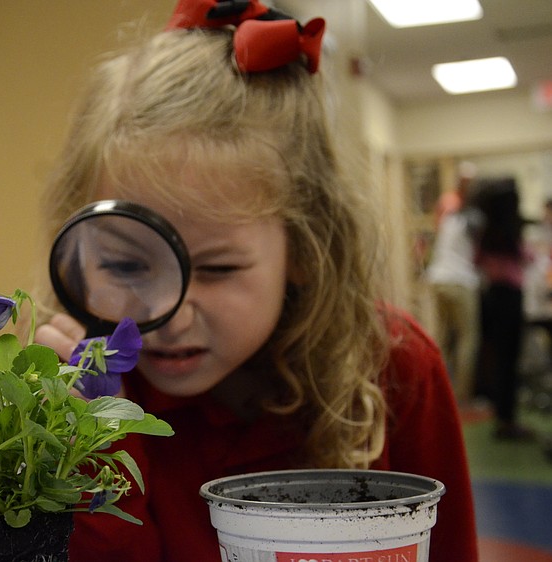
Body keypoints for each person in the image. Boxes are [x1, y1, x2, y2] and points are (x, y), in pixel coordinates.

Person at [34, 1, 478, 561]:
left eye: (218, 268)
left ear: (306, 248)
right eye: (125, 266)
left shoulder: (395, 366)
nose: (171, 314)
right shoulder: (74, 396)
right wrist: (89, 439)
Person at [470, 176, 535, 440]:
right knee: (510, 360)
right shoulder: (510, 232)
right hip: (510, 297)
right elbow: (528, 258)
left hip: (491, 297)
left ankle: (502, 416)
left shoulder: (487, 233)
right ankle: (508, 420)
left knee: (498, 359)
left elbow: (477, 261)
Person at [425, 168, 483, 404]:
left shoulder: (449, 213)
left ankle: (438, 392)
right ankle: (461, 397)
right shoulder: (472, 217)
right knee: (467, 339)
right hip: (459, 280)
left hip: (438, 278)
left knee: (442, 338)